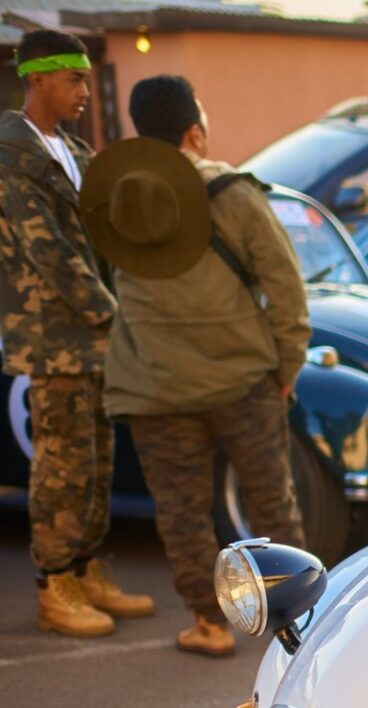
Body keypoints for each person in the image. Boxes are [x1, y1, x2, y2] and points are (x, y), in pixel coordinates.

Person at [90, 76, 308, 658]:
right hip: (242, 380)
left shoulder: (113, 202)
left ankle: (208, 623)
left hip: (152, 385)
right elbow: (285, 288)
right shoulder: (234, 195)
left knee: (181, 511)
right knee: (271, 504)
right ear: (195, 130)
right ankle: (298, 626)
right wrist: (287, 365)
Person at [0, 30, 155, 636]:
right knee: (61, 462)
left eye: (89, 79)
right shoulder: (12, 152)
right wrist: (111, 309)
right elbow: (50, 251)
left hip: (91, 333)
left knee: (95, 457)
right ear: (38, 80)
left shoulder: (70, 150)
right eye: (74, 80)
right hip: (54, 333)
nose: (86, 91)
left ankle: (86, 569)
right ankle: (54, 583)